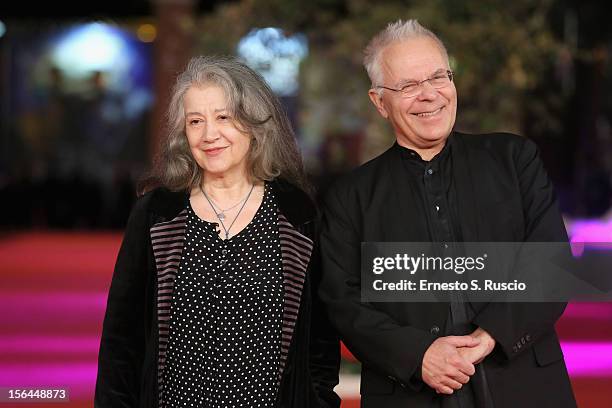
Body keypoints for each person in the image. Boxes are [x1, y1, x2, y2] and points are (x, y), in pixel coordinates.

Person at [319, 19, 577, 408]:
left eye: (438, 77)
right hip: (410, 394)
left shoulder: (513, 160)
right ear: (379, 102)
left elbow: (550, 264)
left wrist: (488, 336)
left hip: (525, 386)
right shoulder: (349, 196)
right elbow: (342, 302)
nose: (429, 95)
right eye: (408, 86)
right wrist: (419, 354)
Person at [95, 55, 340, 408]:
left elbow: (320, 340)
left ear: (254, 123)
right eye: (196, 121)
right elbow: (122, 340)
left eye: (223, 117)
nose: (209, 135)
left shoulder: (296, 213)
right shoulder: (157, 213)